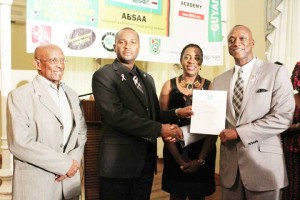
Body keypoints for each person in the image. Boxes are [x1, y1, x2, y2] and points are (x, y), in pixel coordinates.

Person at [92, 27, 193, 200]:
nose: (127, 46)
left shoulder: (147, 78)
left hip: (145, 163)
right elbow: (117, 116)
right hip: (118, 165)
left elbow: (154, 114)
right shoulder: (104, 75)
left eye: (132, 42)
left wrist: (177, 113)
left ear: (139, 47)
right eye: (122, 42)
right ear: (114, 46)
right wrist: (160, 130)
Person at [212, 25, 295, 200]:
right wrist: (179, 134)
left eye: (242, 38)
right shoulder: (218, 81)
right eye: (231, 40)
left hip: (265, 169)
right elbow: (211, 122)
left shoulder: (275, 72)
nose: (236, 42)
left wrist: (238, 133)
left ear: (252, 42)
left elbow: (283, 118)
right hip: (230, 171)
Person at [7, 44, 87, 199]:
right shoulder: (19, 96)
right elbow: (19, 143)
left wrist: (73, 163)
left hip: (70, 184)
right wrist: (64, 165)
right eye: (53, 60)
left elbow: (81, 132)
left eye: (62, 60)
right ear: (37, 64)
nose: (60, 65)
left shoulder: (72, 94)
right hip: (36, 186)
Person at [159, 43, 217, 200]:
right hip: (174, 153)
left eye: (196, 58)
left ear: (201, 63)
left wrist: (200, 160)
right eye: (187, 57)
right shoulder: (168, 87)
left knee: (198, 196)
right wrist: (179, 159)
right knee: (176, 195)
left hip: (201, 153)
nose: (192, 61)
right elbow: (162, 122)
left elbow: (213, 127)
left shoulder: (210, 86)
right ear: (181, 60)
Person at [282, 61, 300, 200]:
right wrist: (298, 126)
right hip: (293, 151)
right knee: (294, 187)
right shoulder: (290, 100)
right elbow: (280, 126)